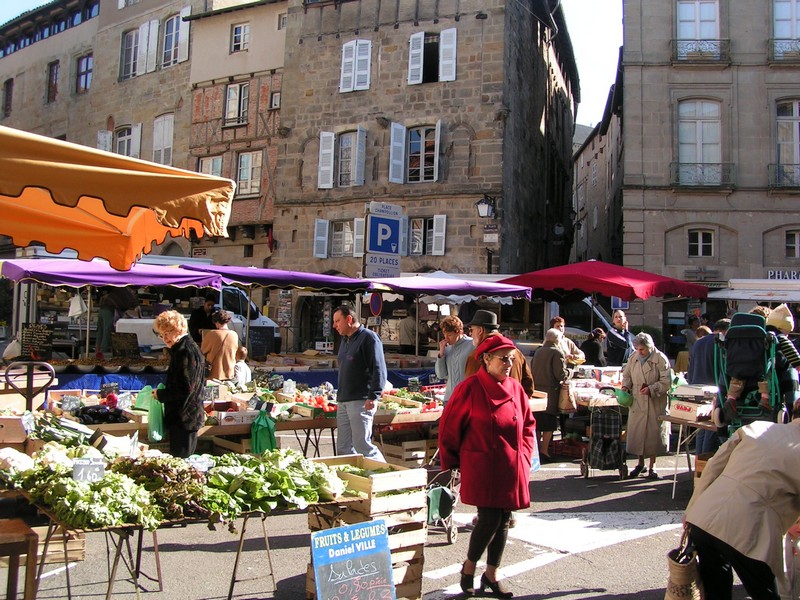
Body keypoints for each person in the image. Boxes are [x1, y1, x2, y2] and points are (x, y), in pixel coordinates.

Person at [439, 334, 536, 598]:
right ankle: (469, 569)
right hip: (483, 463)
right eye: (503, 359)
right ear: (486, 359)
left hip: (511, 464)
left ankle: (491, 574)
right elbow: (449, 428)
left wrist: (525, 455)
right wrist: (452, 462)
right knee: (489, 518)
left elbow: (528, 424)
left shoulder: (515, 388)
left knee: (504, 519)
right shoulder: (470, 388)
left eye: (511, 358)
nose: (508, 363)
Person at [684, 406, 800, 600]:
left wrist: (691, 509)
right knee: (765, 593)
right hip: (750, 528)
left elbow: (713, 466)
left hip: (705, 515)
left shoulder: (757, 428)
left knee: (716, 592)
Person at [333, 305, 386, 461]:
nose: (335, 325)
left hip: (361, 400)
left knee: (362, 445)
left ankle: (388, 477)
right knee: (343, 448)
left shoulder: (369, 338)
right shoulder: (344, 340)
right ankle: (352, 481)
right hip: (343, 400)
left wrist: (373, 395)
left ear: (349, 319)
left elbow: (379, 369)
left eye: (337, 321)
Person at [152, 310, 206, 458]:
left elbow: (185, 387)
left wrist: (161, 395)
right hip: (186, 417)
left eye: (168, 332)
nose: (165, 338)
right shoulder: (185, 348)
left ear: (179, 329)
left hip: (185, 417)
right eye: (161, 334)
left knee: (182, 460)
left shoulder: (184, 351)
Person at [621, 332, 671, 479]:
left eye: (642, 349)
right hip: (637, 400)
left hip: (655, 401)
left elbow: (666, 382)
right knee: (638, 434)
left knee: (653, 434)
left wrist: (651, 388)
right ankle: (640, 463)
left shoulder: (660, 359)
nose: (639, 352)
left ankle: (652, 466)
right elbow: (627, 375)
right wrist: (625, 387)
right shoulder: (634, 357)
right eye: (637, 349)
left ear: (649, 347)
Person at [464, 310, 534, 397]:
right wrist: (519, 405)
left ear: (480, 330)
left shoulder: (476, 356)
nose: (470, 334)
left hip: (488, 409)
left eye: (471, 330)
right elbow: (529, 387)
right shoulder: (516, 352)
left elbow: (469, 391)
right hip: (514, 407)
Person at [687, 318, 731, 454]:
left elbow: (691, 366)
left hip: (696, 388)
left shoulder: (698, 343)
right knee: (712, 427)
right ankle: (705, 460)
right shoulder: (721, 342)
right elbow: (722, 368)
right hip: (714, 389)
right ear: (726, 331)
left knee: (701, 427)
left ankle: (699, 459)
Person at [530, 328, 568, 463]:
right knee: (549, 424)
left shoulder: (539, 351)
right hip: (551, 392)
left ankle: (537, 449)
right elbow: (560, 374)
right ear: (557, 340)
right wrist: (569, 373)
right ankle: (544, 451)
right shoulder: (556, 352)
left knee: (538, 423)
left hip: (537, 392)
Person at [434, 315, 473, 404]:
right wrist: (441, 354)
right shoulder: (447, 347)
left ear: (459, 332)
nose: (446, 338)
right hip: (449, 398)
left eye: (450, 335)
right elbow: (441, 375)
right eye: (444, 334)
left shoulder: (472, 344)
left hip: (467, 399)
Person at [95, 286, 139, 357]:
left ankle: (97, 352)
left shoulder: (120, 287)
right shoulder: (125, 291)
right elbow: (130, 303)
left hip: (103, 308)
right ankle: (103, 353)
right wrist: (136, 306)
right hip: (109, 309)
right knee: (107, 330)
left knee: (100, 330)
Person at [200, 309, 238, 380]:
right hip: (229, 372)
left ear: (216, 322)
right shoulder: (234, 335)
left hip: (214, 373)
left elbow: (202, 352)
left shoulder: (211, 334)